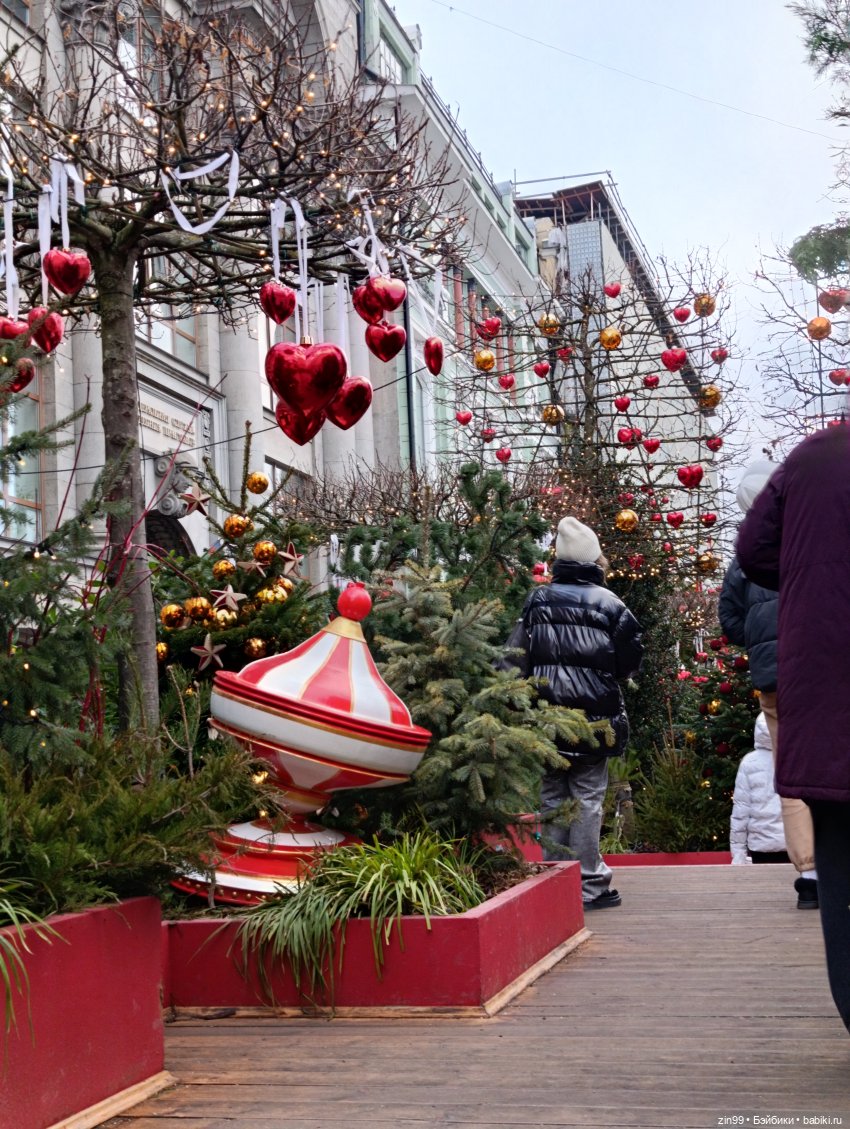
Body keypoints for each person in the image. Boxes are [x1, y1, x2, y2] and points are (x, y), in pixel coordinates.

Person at [737, 423, 850, 1035]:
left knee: (839, 844)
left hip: (826, 682)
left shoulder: (812, 456)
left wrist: (813, 573)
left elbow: (753, 549)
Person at [511, 516, 644, 909]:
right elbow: (628, 663)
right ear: (593, 559)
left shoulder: (537, 601)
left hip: (547, 718)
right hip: (595, 721)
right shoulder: (612, 605)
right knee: (587, 799)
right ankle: (589, 885)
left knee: (552, 796)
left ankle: (554, 880)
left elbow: (516, 655)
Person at [718, 460, 818, 908]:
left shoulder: (744, 557)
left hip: (773, 677)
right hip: (818, 668)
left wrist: (759, 640)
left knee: (791, 771)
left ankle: (811, 872)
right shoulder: (809, 537)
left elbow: (730, 621)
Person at [729, 713, 790, 867]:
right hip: (795, 842)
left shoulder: (749, 762)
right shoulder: (796, 758)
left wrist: (738, 854)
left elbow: (740, 813)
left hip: (761, 846)